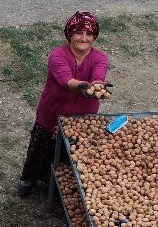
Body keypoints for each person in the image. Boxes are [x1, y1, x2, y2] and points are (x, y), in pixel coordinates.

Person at [17, 11, 110, 198]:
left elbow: (98, 77)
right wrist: (84, 87)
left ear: (95, 37)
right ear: (70, 34)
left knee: (73, 154)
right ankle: (28, 180)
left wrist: (97, 86)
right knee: (40, 150)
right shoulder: (58, 56)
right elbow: (66, 82)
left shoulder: (100, 58)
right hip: (52, 115)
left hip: (81, 119)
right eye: (79, 33)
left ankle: (63, 186)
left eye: (89, 34)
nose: (84, 38)